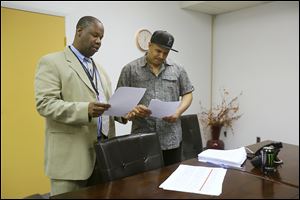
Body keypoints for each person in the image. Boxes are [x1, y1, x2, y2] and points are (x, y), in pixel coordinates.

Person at [34, 16, 115, 196]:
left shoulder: (100, 69)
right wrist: (85, 109)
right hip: (70, 160)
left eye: (101, 38)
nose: (99, 41)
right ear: (79, 31)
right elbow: (45, 104)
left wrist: (123, 112)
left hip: (103, 157)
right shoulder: (52, 62)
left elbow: (107, 105)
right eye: (95, 35)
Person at [117, 30, 194, 166]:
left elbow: (188, 93)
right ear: (149, 45)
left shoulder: (178, 69)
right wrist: (132, 110)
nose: (161, 56)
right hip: (141, 139)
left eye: (166, 53)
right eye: (158, 51)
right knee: (142, 185)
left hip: (171, 139)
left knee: (170, 180)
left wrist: (178, 112)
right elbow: (119, 106)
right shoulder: (130, 70)